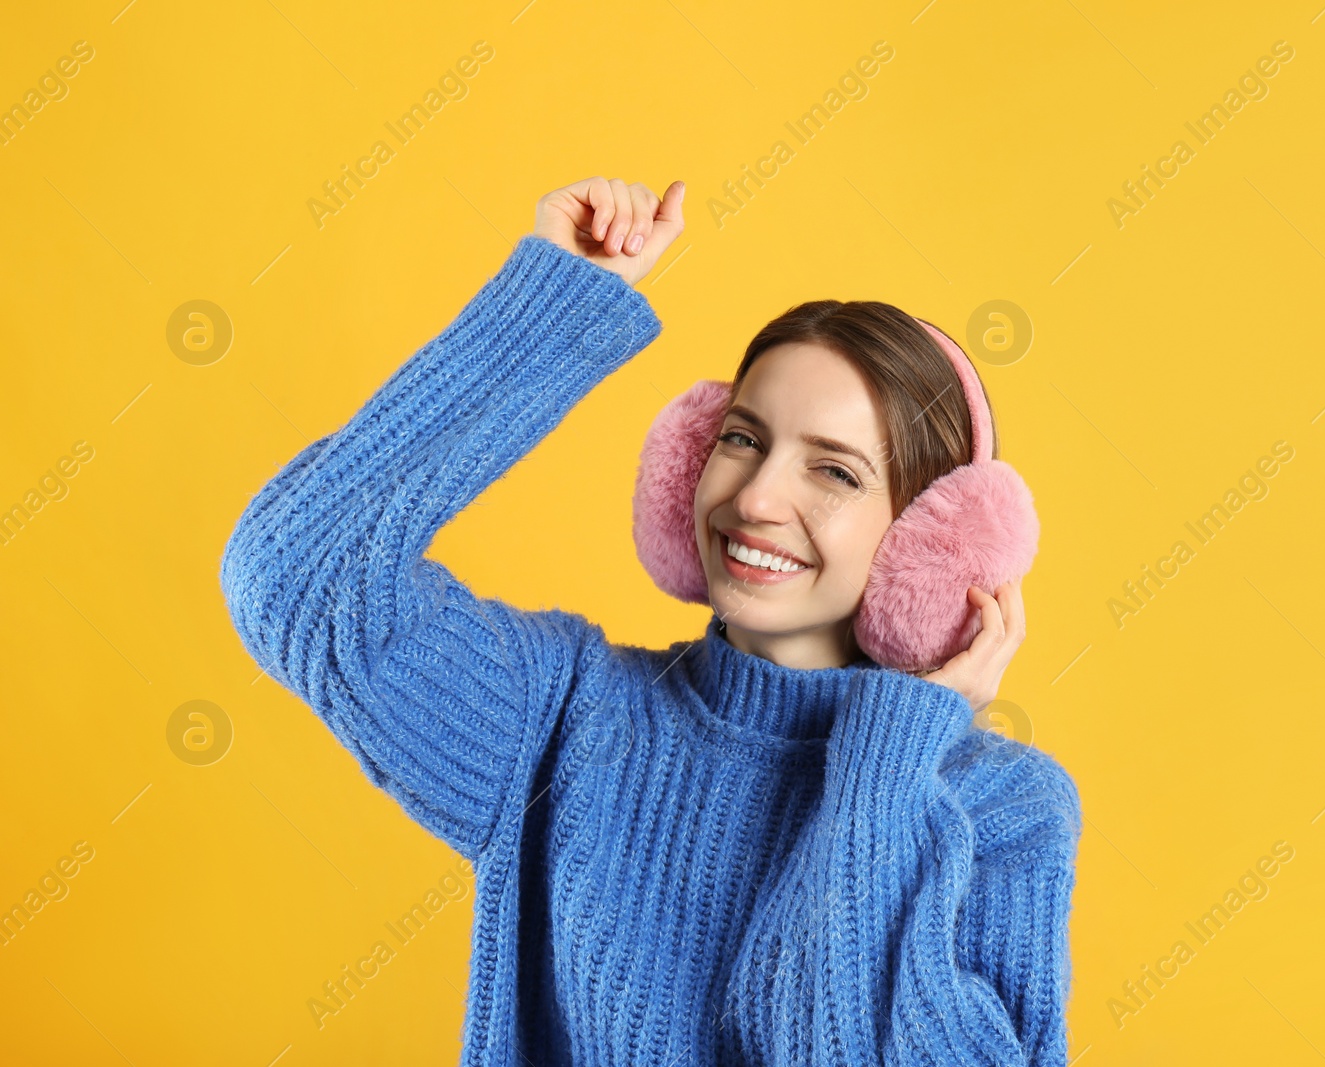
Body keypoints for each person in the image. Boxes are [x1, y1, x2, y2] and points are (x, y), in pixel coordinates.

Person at [220, 175, 1081, 1066]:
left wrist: (891, 758)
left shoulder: (1003, 807)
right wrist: (548, 309)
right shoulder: (564, 714)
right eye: (741, 439)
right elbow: (297, 572)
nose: (755, 497)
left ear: (933, 544)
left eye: (834, 472)